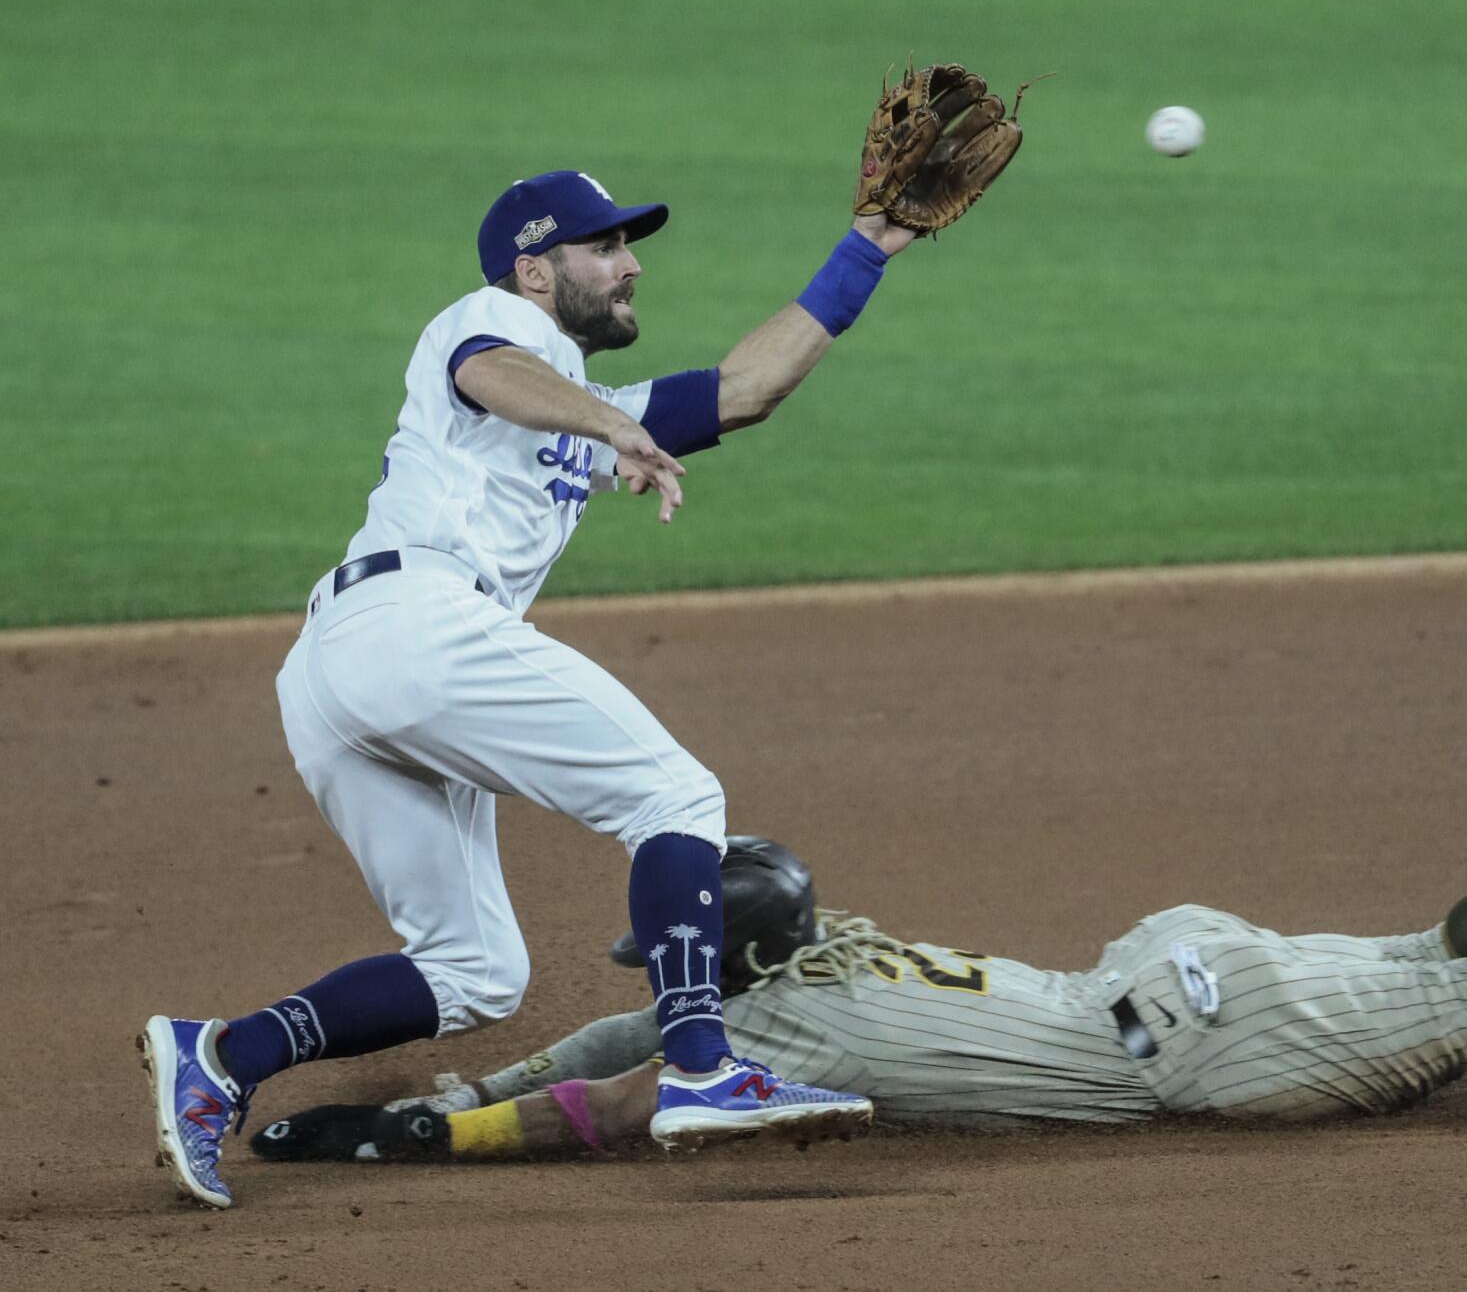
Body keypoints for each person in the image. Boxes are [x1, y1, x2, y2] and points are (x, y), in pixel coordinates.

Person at [142, 168, 922, 1208]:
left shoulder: (582, 401)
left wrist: (866, 247)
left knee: (473, 973)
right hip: (413, 625)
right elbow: (490, 371)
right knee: (676, 799)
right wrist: (610, 429)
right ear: (534, 268)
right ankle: (700, 1067)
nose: (630, 262)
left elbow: (745, 389)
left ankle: (225, 1056)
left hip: (344, 665)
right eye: (603, 247)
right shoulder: (498, 324)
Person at [248, 759, 1467, 1163]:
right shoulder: (806, 965)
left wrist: (427, 1128)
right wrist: (453, 1094)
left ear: (723, 957)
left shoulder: (779, 1035)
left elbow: (593, 1109)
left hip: (1205, 1051)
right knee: (1435, 954)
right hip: (1175, 961)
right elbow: (602, 1043)